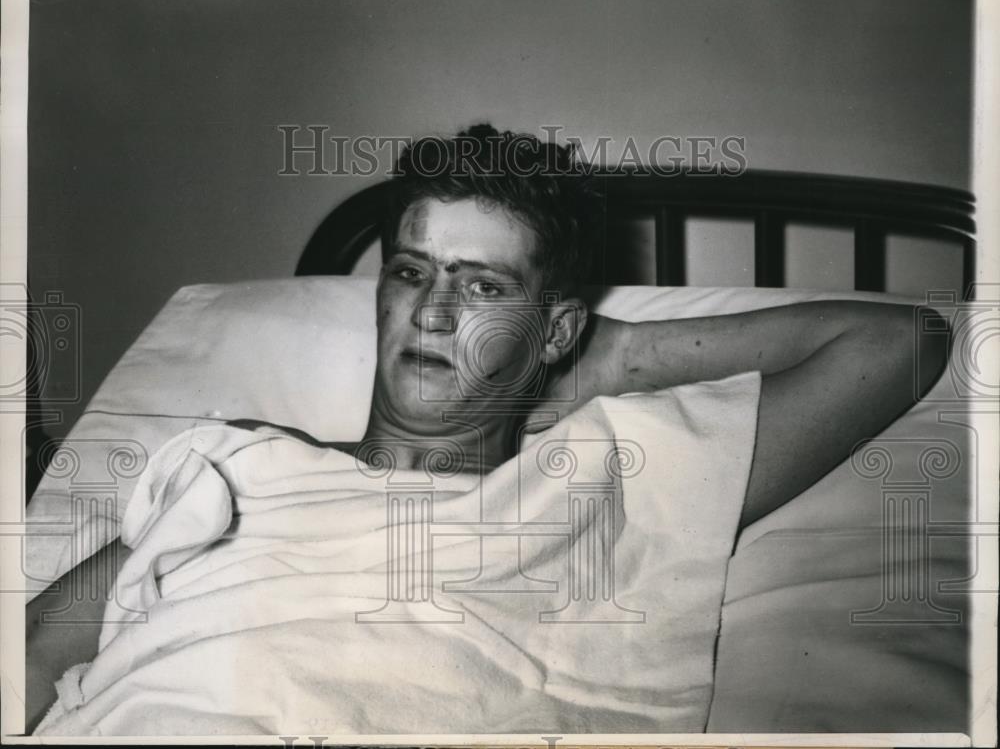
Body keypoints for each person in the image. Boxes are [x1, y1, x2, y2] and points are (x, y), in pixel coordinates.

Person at [25, 124, 950, 731]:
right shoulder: (239, 462)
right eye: (410, 272)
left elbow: (897, 342)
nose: (431, 312)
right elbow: (31, 656)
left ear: (552, 327)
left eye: (483, 287)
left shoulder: (599, 489)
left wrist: (610, 356)